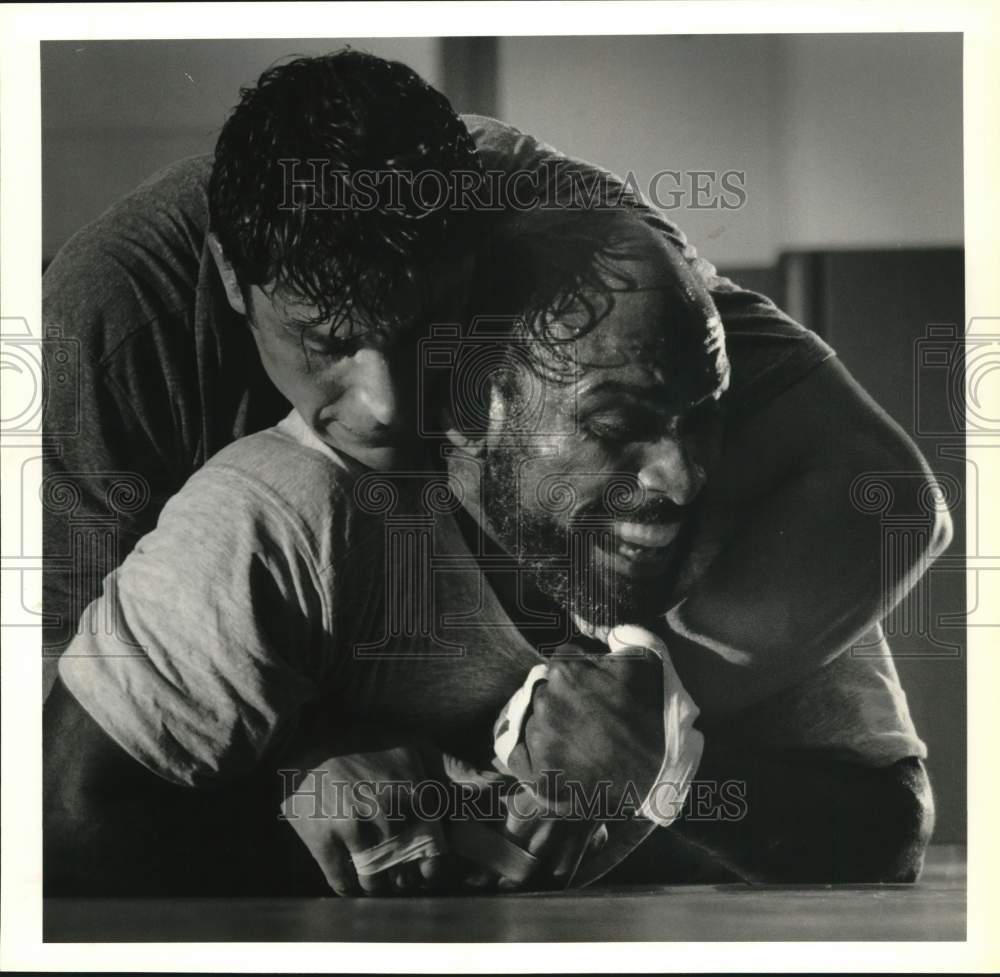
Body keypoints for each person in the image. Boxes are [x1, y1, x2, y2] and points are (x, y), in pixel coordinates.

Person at [45, 206, 950, 896]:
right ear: (475, 409)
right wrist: (297, 802)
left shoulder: (737, 519)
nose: (680, 474)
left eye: (699, 413)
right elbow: (62, 821)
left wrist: (675, 769)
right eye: (617, 424)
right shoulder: (293, 513)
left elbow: (891, 827)